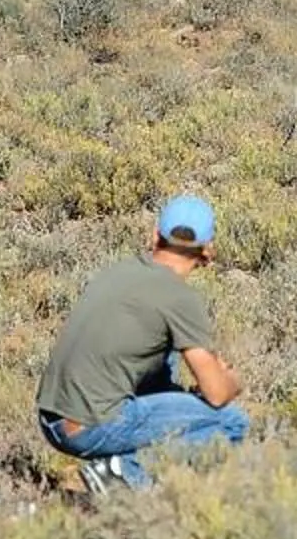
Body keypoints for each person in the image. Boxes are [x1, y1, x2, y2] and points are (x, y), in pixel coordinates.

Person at [37, 192, 249, 491]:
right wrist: (231, 380)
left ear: (154, 236)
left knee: (166, 356)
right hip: (88, 427)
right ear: (208, 250)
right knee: (231, 422)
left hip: (51, 418)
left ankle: (113, 471)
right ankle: (122, 474)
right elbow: (216, 394)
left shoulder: (119, 272)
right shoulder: (180, 298)